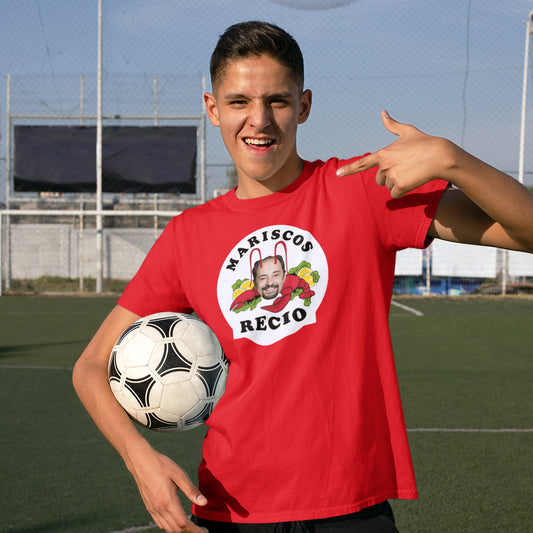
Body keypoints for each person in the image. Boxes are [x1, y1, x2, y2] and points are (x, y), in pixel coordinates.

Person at [72, 21, 533, 533]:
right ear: (213, 108)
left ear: (304, 105)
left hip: (350, 510)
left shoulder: (360, 191)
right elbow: (90, 367)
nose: (259, 120)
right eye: (239, 101)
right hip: (229, 509)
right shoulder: (188, 235)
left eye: (278, 101)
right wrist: (140, 460)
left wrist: (453, 160)